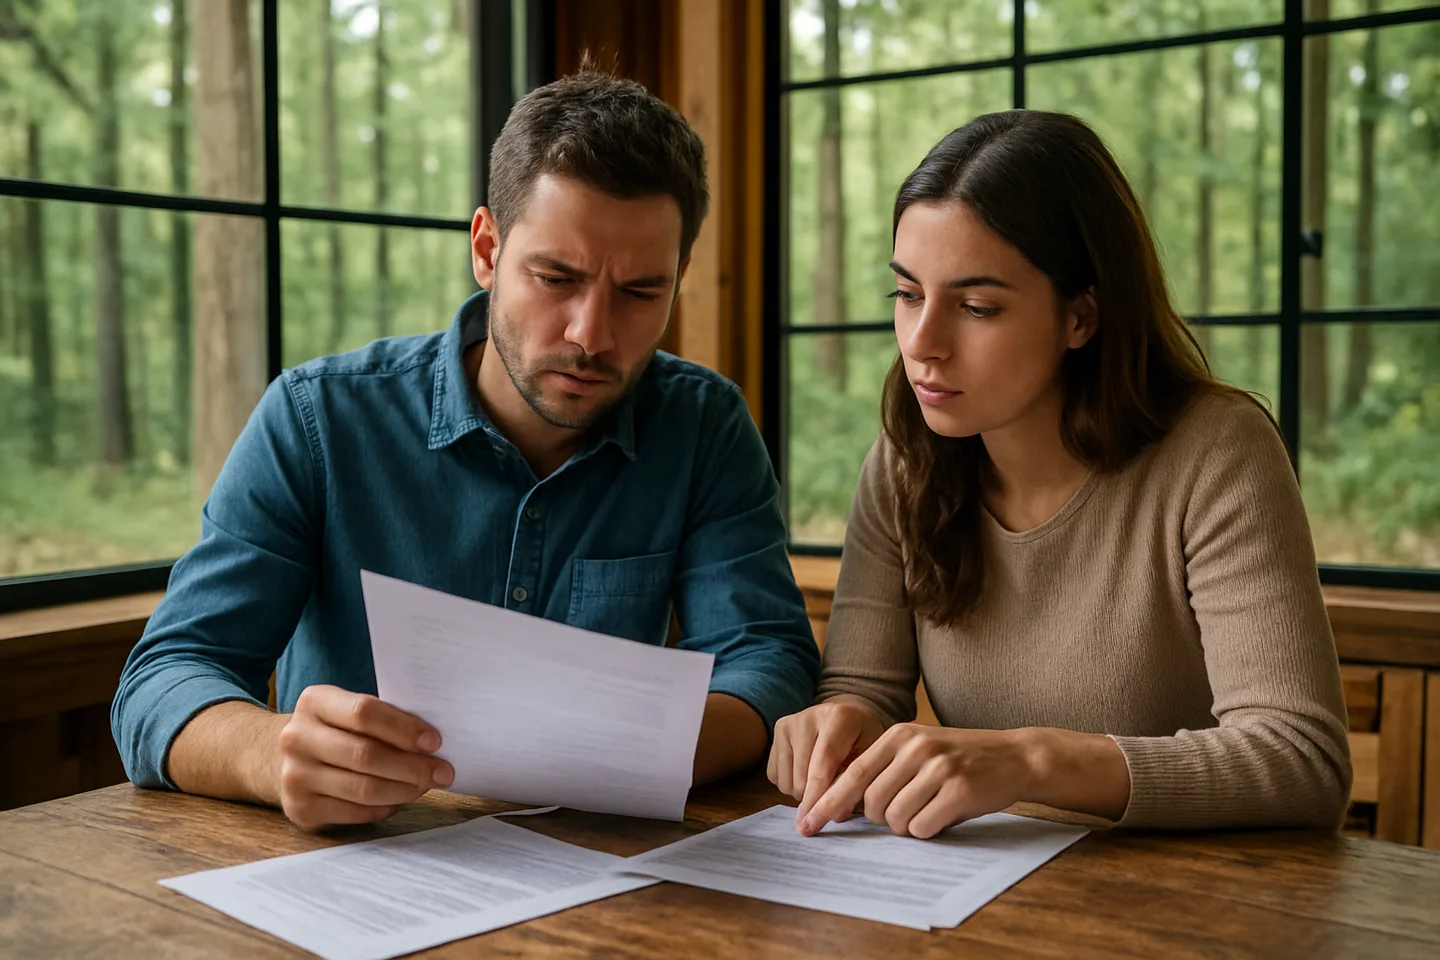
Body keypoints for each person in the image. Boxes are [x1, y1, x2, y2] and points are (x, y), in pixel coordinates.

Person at [112, 71, 819, 831]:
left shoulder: (704, 425)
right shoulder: (317, 418)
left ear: (680, 277)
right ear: (487, 249)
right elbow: (163, 678)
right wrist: (272, 752)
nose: (591, 334)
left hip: (599, 875)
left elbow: (769, 659)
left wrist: (618, 751)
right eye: (556, 277)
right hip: (355, 872)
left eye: (641, 293)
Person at [768, 110, 1351, 839]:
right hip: (983, 901)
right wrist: (840, 724)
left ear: (1081, 316)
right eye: (908, 295)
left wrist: (1034, 759)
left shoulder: (1217, 454)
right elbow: (863, 689)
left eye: (977, 306)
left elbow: (1303, 760)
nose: (923, 344)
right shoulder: (905, 460)